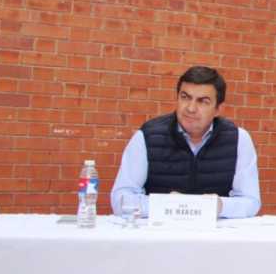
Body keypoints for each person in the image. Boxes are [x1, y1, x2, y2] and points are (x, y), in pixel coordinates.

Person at [111, 66, 261, 218]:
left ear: (218, 109)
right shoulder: (147, 136)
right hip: (160, 234)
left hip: (215, 236)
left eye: (203, 101)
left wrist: (218, 205)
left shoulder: (238, 139)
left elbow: (250, 201)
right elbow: (120, 200)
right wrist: (166, 204)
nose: (190, 108)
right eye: (185, 97)